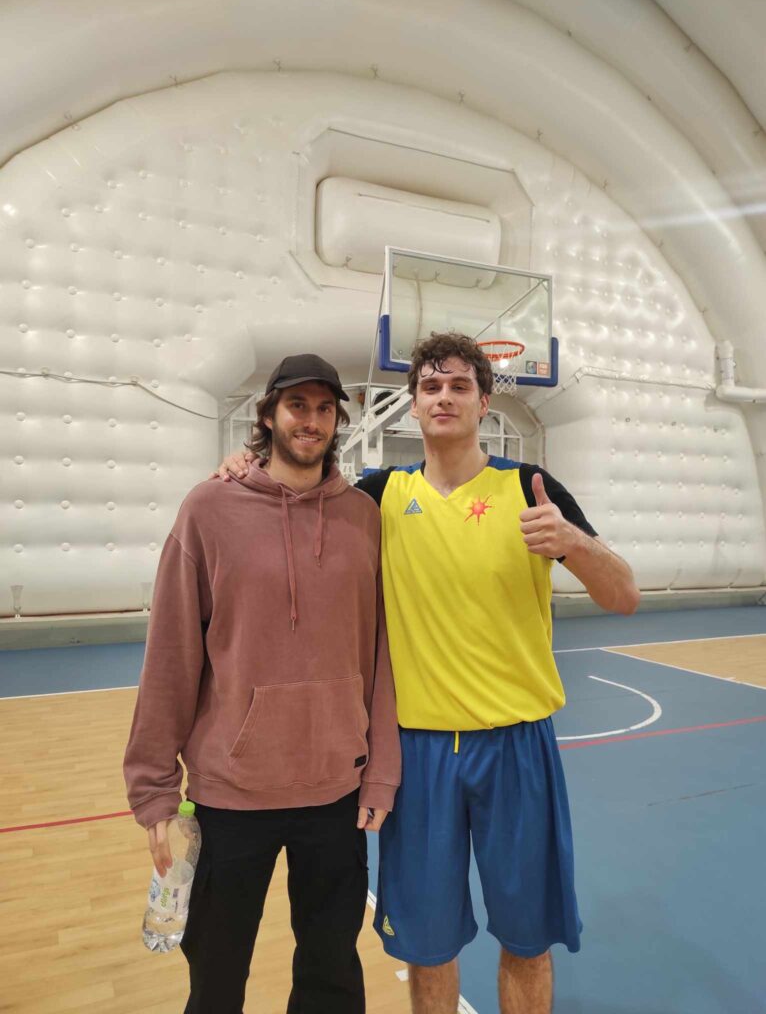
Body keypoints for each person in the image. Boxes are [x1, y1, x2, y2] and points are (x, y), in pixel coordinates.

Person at [216, 333, 640, 1014]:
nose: (444, 397)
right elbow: (289, 497)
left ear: (484, 402)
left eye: (459, 386)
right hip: (415, 755)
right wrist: (247, 464)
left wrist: (576, 543)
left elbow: (624, 596)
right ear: (412, 404)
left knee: (528, 939)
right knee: (428, 946)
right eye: (431, 387)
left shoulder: (529, 489)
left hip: (516, 746)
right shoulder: (378, 497)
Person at [124, 353, 401, 1014]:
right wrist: (154, 788)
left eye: (325, 409)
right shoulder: (208, 509)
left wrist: (382, 772)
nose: (312, 420)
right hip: (231, 793)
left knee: (332, 975)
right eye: (297, 405)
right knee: (217, 977)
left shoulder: (364, 517)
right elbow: (171, 654)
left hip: (335, 790)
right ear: (269, 415)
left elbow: (382, 656)